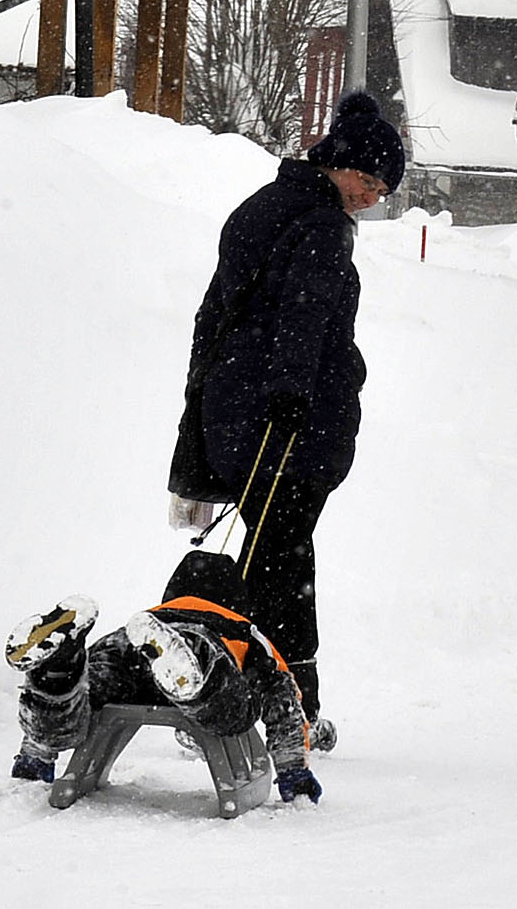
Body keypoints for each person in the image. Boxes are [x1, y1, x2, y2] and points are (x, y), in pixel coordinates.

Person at [165, 89, 402, 734]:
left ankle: (228, 695)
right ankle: (288, 709)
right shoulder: (321, 225)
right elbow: (304, 316)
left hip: (236, 413)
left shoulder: (262, 207)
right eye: (369, 178)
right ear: (339, 163)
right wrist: (294, 392)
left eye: (383, 187)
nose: (373, 195)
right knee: (282, 563)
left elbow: (219, 316)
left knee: (266, 555)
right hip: (284, 423)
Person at [3, 552, 322, 803]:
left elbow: (91, 687)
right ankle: (196, 678)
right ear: (237, 601)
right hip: (200, 646)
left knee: (83, 689)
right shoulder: (241, 629)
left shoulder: (148, 623)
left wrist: (37, 752)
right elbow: (283, 696)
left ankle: (57, 670)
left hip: (126, 651)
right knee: (232, 709)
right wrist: (293, 768)